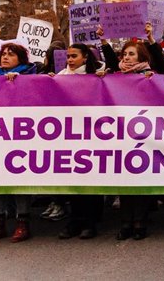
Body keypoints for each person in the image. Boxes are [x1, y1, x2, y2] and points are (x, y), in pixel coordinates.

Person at [98, 25, 156, 240]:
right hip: (120, 134)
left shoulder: (149, 73)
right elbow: (111, 62)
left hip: (144, 134)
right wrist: (104, 41)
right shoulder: (114, 74)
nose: (127, 58)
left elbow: (160, 62)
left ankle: (140, 221)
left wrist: (150, 37)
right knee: (124, 181)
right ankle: (125, 223)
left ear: (141, 55)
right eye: (125, 54)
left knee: (140, 180)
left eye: (132, 54)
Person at [0, 43, 37, 243]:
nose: (5, 57)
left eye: (10, 55)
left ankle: (23, 222)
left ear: (21, 59)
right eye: (3, 54)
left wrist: (22, 82)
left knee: (18, 178)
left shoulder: (31, 75)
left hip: (21, 136)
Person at [51, 44, 105, 240]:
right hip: (69, 135)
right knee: (73, 181)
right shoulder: (60, 78)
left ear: (85, 58)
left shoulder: (97, 76)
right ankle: (75, 220)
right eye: (68, 56)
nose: (70, 60)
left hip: (93, 135)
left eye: (74, 56)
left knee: (90, 181)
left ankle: (90, 222)